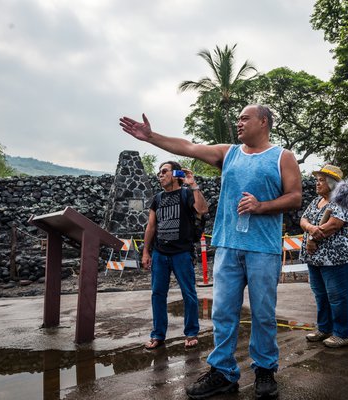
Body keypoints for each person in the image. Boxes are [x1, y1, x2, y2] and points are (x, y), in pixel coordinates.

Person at [120, 104, 302, 400]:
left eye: (245, 118)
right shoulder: (229, 152)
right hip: (228, 247)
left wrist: (261, 206)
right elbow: (189, 147)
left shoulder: (282, 157)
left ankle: (265, 370)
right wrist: (151, 137)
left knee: (264, 314)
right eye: (238, 118)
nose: (239, 123)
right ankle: (223, 372)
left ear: (264, 122)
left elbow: (295, 197)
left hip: (263, 249)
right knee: (223, 312)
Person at [142, 161, 209, 350]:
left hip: (182, 253)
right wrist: (146, 252)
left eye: (164, 171)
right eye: (159, 173)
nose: (160, 175)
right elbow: (151, 226)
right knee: (157, 294)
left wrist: (192, 184)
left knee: (189, 293)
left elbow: (202, 209)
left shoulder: (186, 194)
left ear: (175, 174)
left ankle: (191, 333)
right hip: (160, 254)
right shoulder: (157, 198)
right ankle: (158, 335)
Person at [299, 164, 348, 348]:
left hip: (336, 258)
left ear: (332, 183)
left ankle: (343, 333)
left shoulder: (341, 201)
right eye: (317, 179)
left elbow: (334, 225)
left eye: (321, 180)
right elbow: (304, 219)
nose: (317, 183)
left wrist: (313, 237)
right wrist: (311, 229)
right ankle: (324, 328)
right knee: (320, 294)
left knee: (337, 296)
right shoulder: (316, 201)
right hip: (315, 258)